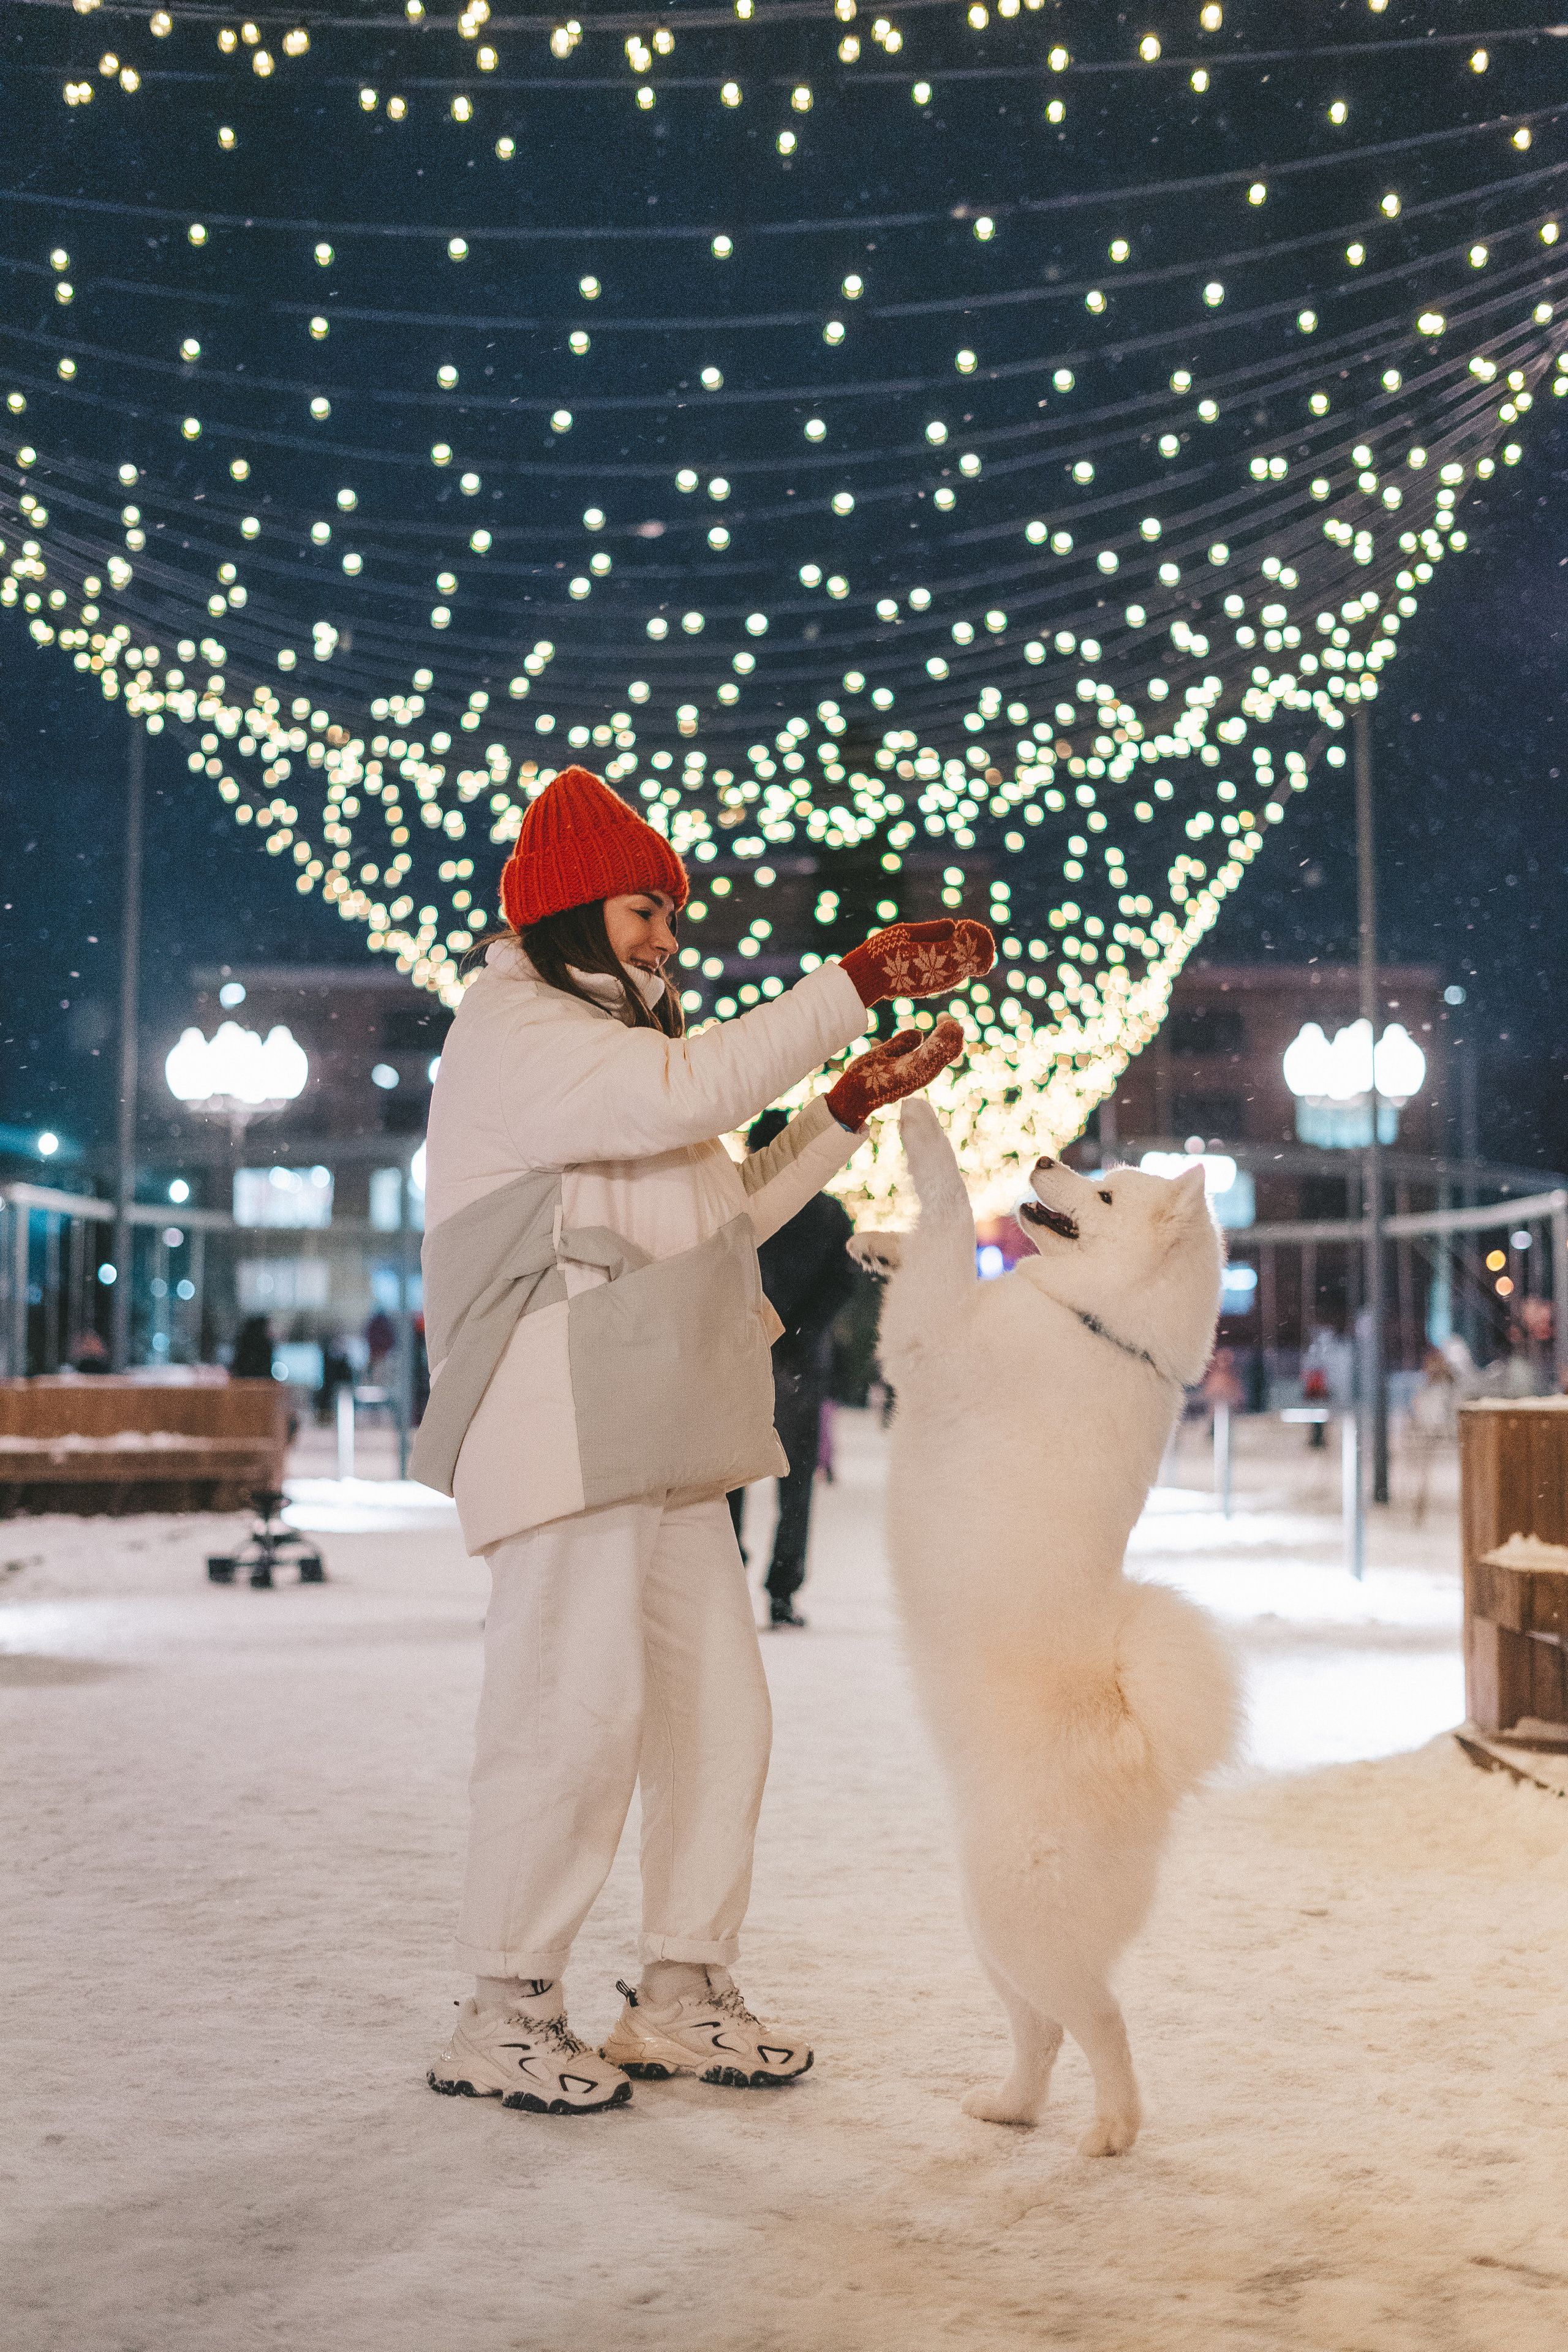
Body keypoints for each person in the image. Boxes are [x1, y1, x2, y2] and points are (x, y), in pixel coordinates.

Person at [415, 765, 992, 2117]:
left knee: (716, 1717)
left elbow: (717, 1209)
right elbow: (685, 1096)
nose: (665, 935)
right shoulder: (518, 1029)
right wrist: (850, 981)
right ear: (563, 912)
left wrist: (838, 1115)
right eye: (638, 910)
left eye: (670, 911)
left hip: (655, 1415)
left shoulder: (619, 1057)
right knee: (569, 1715)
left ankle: (677, 1993)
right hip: (561, 1421)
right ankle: (503, 2006)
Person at [727, 1108, 859, 1628]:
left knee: (725, 1477)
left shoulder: (734, 1208)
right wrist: (803, 1327)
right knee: (795, 1483)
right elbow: (844, 1278)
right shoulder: (826, 1212)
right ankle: (783, 1591)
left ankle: (727, 1578)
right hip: (800, 1361)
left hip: (740, 1354)